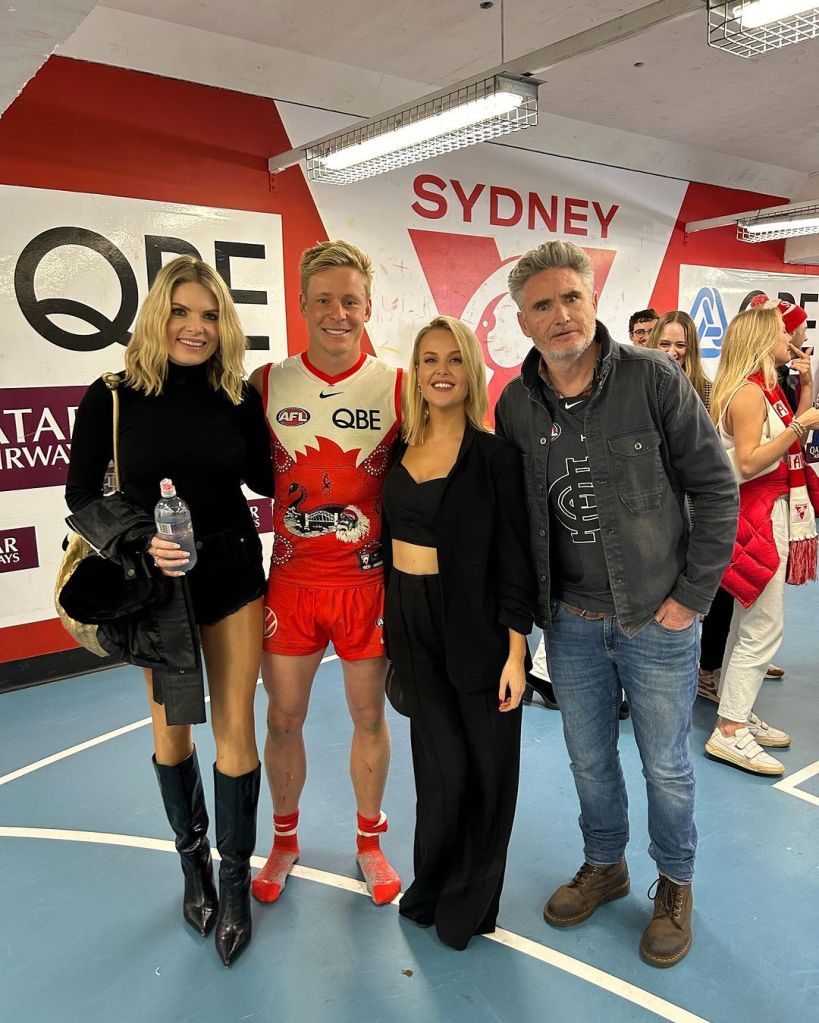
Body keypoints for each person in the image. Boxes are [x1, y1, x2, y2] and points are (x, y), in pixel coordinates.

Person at [495, 240, 737, 968]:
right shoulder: (514, 403)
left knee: (666, 763)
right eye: (542, 304)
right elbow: (511, 516)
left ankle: (674, 881)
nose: (561, 314)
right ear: (521, 318)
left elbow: (715, 488)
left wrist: (689, 598)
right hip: (568, 618)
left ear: (591, 298)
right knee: (589, 758)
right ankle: (605, 863)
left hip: (654, 617)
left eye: (571, 297)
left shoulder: (652, 378)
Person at [66, 256, 274, 965]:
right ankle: (195, 871)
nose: (196, 327)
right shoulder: (115, 393)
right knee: (172, 733)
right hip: (160, 591)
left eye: (211, 315)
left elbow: (267, 477)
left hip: (234, 573)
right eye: (183, 312)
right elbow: (79, 497)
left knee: (236, 727)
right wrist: (140, 542)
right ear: (159, 314)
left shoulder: (235, 394)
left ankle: (237, 885)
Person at [250, 240, 403, 909]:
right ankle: (283, 839)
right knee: (283, 717)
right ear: (303, 305)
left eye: (349, 300)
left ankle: (369, 840)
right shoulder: (266, 381)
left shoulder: (399, 382)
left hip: (366, 585)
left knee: (368, 714)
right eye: (323, 300)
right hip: (291, 583)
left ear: (368, 307)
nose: (337, 312)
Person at [381, 315, 535, 950]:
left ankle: (471, 902)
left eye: (452, 359)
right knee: (436, 765)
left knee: (485, 767)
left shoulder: (496, 456)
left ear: (471, 371)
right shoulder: (398, 449)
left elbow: (514, 557)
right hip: (410, 623)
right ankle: (431, 887)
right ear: (416, 375)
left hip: (475, 628)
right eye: (427, 360)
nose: (440, 371)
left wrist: (516, 653)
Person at [705, 306, 819, 775]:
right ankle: (730, 729)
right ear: (760, 340)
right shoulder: (749, 394)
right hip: (756, 515)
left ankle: (736, 712)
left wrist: (803, 395)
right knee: (762, 626)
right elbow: (749, 463)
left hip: (763, 512)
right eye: (780, 335)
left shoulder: (763, 388)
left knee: (747, 623)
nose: (788, 342)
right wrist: (799, 425)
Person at [647, 310, 712, 410]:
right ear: (654, 344)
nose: (672, 353)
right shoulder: (641, 388)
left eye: (680, 345)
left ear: (691, 349)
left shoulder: (708, 392)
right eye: (664, 344)